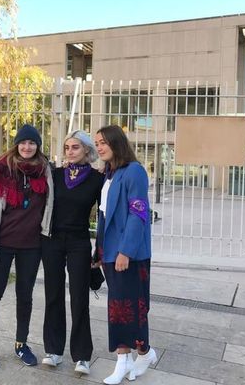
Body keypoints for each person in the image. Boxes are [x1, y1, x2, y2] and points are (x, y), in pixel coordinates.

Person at [0, 124, 53, 370]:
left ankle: (21, 343)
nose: (27, 147)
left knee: (25, 296)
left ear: (38, 145)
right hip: (2, 244)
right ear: (16, 144)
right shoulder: (0, 169)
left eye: (32, 143)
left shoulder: (46, 170)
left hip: (32, 245)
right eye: (23, 142)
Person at [94, 125, 157, 384]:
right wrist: (99, 250)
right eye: (96, 143)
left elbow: (138, 213)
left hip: (129, 253)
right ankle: (142, 353)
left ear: (116, 143)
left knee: (128, 308)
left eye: (103, 142)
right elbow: (103, 215)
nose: (98, 147)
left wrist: (125, 251)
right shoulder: (109, 174)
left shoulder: (134, 172)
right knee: (122, 307)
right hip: (110, 252)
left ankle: (129, 358)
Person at [41, 130, 103, 375]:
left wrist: (101, 249)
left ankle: (82, 356)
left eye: (75, 147)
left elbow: (103, 215)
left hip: (79, 241)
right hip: (53, 241)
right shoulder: (54, 175)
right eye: (67, 147)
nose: (70, 151)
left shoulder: (98, 179)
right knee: (53, 294)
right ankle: (54, 351)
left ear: (87, 150)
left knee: (80, 298)